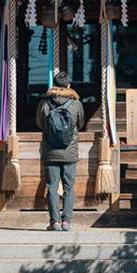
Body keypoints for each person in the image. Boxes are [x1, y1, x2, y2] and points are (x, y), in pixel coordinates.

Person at [35, 71, 85, 232]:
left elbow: (39, 123)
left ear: (54, 85)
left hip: (51, 151)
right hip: (69, 151)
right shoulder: (76, 103)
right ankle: (67, 222)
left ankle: (54, 222)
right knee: (69, 187)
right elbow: (81, 123)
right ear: (69, 85)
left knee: (52, 187)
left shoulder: (45, 102)